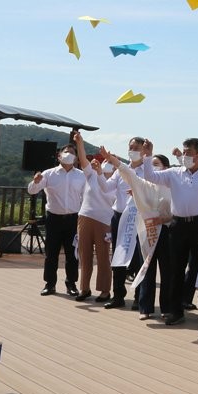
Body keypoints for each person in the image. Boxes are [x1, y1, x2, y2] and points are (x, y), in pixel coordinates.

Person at [140, 136, 198, 324]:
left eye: (188, 153)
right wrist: (148, 156)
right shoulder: (174, 173)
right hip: (178, 225)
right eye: (183, 152)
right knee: (175, 269)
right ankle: (176, 311)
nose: (184, 156)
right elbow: (150, 177)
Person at [28, 142, 85, 296]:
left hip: (73, 219)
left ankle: (71, 284)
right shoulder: (48, 174)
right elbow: (32, 190)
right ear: (59, 156)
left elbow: (87, 197)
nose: (69, 154)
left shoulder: (81, 176)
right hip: (53, 219)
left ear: (76, 158)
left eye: (72, 152)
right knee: (51, 253)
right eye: (66, 152)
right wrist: (36, 181)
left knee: (72, 254)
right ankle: (49, 284)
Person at [100, 137, 148, 310]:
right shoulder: (121, 170)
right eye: (130, 147)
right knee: (118, 256)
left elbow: (152, 192)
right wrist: (99, 173)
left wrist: (138, 192)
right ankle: (118, 295)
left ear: (144, 150)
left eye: (136, 147)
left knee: (137, 258)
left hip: (138, 218)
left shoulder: (147, 170)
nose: (133, 150)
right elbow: (106, 188)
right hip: (119, 217)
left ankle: (138, 297)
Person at [71, 132, 115, 303]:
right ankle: (84, 288)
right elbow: (83, 161)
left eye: (111, 162)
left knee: (103, 256)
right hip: (85, 217)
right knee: (84, 254)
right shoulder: (91, 175)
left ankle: (105, 290)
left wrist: (103, 173)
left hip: (104, 221)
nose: (106, 164)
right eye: (106, 161)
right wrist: (80, 144)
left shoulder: (117, 181)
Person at [135, 153, 174, 320]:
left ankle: (166, 307)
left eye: (156, 164)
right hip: (147, 230)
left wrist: (165, 218)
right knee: (147, 269)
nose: (153, 167)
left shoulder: (172, 185)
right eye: (151, 164)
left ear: (165, 167)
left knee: (167, 272)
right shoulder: (144, 184)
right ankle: (145, 308)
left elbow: (177, 209)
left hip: (165, 231)